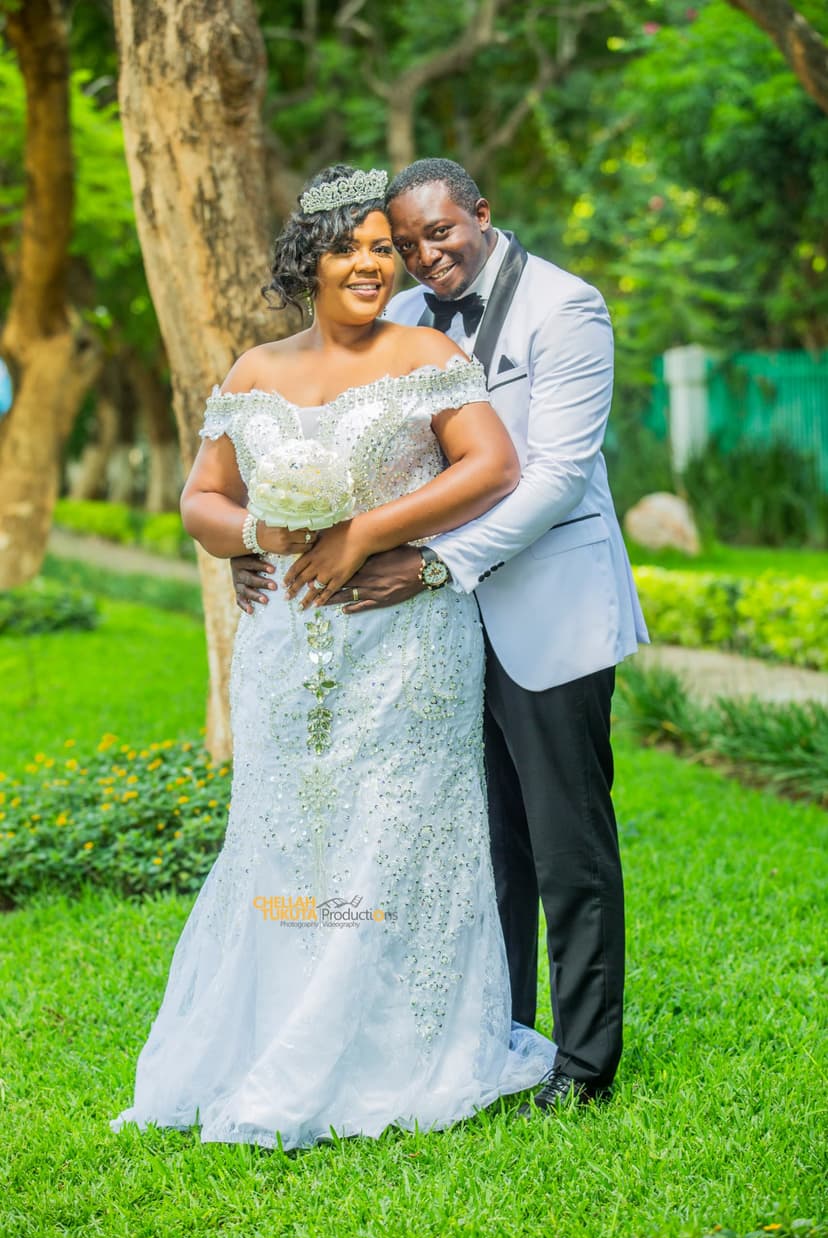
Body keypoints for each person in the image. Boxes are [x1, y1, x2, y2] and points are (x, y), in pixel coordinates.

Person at [109, 165, 556, 1152]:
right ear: (305, 262)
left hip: (407, 645)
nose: (370, 263)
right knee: (292, 836)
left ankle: (398, 1042)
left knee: (395, 830)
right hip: (283, 647)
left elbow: (493, 465)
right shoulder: (254, 370)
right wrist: (261, 535)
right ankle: (283, 1022)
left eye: (380, 248)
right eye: (349, 246)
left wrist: (364, 531)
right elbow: (200, 500)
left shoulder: (424, 350)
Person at [232, 158, 649, 1111]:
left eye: (439, 235)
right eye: (408, 244)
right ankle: (491, 1039)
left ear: (482, 216)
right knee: (486, 841)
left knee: (565, 842)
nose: (425, 256)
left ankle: (585, 1065)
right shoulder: (411, 321)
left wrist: (434, 561)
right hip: (441, 635)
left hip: (549, 606)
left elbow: (556, 475)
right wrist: (266, 531)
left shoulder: (565, 307)